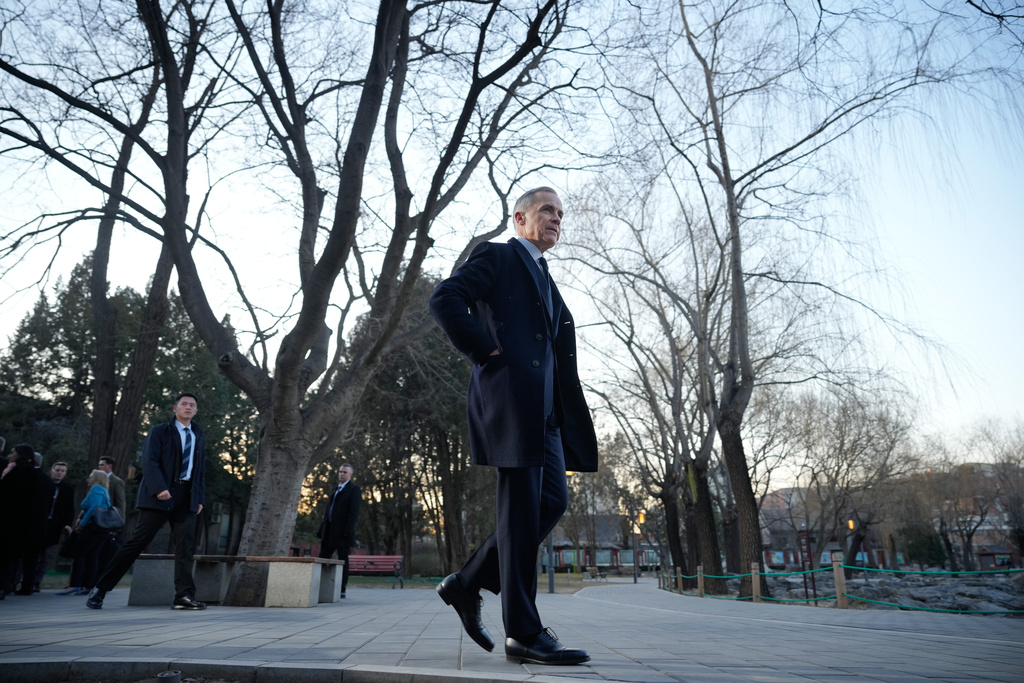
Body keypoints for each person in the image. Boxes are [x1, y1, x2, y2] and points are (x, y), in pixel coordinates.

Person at [428, 187, 598, 665]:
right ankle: (522, 633)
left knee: (551, 501)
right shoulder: (499, 256)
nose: (556, 219)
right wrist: (485, 350)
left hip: (546, 417)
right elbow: (445, 298)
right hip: (514, 406)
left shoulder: (544, 274)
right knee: (522, 512)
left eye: (561, 214)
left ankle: (465, 583)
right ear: (520, 217)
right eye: (547, 211)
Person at [86, 393, 206, 610]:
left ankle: (183, 596)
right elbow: (149, 461)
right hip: (160, 494)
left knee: (186, 547)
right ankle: (100, 589)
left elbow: (199, 469)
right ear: (175, 408)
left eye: (192, 405)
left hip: (187, 496)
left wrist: (199, 498)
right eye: (184, 404)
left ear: (196, 411)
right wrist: (159, 488)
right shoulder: (160, 431)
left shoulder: (197, 434)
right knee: (136, 543)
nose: (188, 407)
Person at [0, 444, 53, 599]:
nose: (10, 455)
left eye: (13, 453)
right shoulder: (44, 479)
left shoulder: (17, 474)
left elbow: (8, 498)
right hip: (35, 526)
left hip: (14, 524)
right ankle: (27, 585)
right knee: (30, 558)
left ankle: (5, 585)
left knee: (8, 558)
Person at [68, 470, 120, 595]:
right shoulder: (104, 491)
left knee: (80, 554)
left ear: (96, 478)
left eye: (90, 476)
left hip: (92, 528)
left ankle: (75, 584)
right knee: (93, 556)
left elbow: (93, 508)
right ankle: (90, 585)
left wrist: (82, 524)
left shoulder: (96, 489)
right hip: (102, 530)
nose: (88, 479)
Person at [316, 463, 361, 598]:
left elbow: (353, 512)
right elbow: (328, 511)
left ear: (350, 475)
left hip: (343, 533)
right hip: (329, 531)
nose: (342, 474)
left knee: (343, 560)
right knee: (322, 558)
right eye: (340, 471)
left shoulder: (353, 489)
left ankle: (342, 588)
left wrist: (348, 531)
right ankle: (318, 586)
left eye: (345, 472)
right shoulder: (335, 489)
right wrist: (321, 529)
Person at [35, 461, 75, 592]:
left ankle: (36, 581)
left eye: (62, 471)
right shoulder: (44, 484)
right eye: (57, 470)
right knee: (33, 553)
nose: (59, 473)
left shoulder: (67, 489)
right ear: (52, 471)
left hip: (54, 525)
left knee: (46, 555)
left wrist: (68, 524)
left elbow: (70, 509)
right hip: (39, 522)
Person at [98, 456, 127, 522]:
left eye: (102, 465)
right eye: (99, 465)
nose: (99, 467)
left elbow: (120, 503)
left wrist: (120, 521)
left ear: (110, 466)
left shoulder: (116, 482)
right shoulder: (97, 481)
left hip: (107, 518)